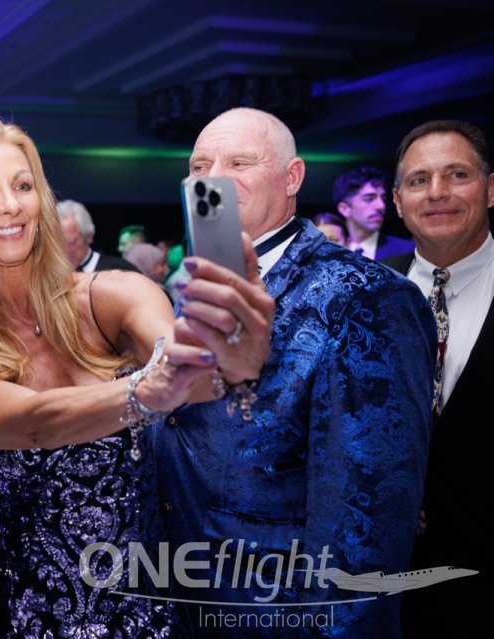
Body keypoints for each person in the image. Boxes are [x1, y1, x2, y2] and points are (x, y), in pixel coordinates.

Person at [0, 116, 274, 638]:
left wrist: (230, 358)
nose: (10, 205)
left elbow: (187, 372)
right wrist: (148, 390)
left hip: (146, 598)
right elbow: (34, 422)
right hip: (30, 604)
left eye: (23, 186)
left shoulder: (112, 295)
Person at [153, 108, 435, 638]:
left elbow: (370, 515)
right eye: (200, 166)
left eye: (240, 162)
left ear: (292, 178)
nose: (214, 179)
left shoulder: (364, 296)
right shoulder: (183, 292)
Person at [382, 120, 494, 637]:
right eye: (418, 180)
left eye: (457, 174)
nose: (437, 192)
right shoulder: (367, 292)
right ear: (398, 202)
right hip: (383, 584)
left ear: (490, 189)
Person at [333, 166, 414, 259]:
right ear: (344, 209)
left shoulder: (406, 250)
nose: (381, 206)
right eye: (369, 198)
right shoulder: (334, 252)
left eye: (383, 198)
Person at [56, 199, 137, 271]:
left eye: (71, 242)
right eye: (58, 243)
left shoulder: (121, 270)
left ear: (88, 237)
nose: (64, 250)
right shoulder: (51, 274)